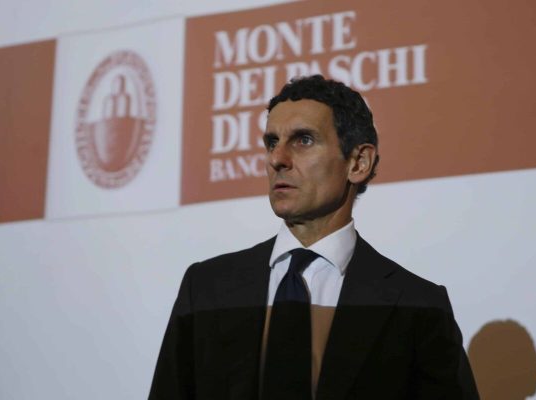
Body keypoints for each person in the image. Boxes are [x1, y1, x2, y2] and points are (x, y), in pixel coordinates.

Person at [149, 75, 479, 399]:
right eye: (272, 142)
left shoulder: (418, 305)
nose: (277, 159)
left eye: (303, 140)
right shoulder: (205, 288)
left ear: (358, 162)